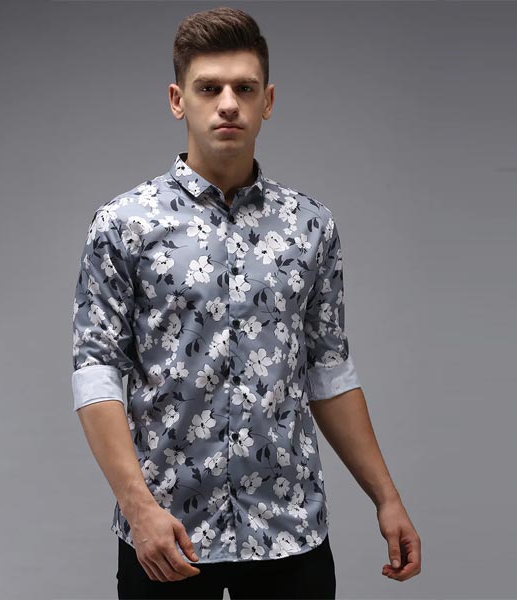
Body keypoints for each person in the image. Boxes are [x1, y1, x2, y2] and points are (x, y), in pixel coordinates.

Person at [71, 6, 421, 599]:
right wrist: (138, 508)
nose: (228, 103)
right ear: (178, 100)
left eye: (245, 88)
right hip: (167, 532)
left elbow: (329, 370)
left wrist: (387, 498)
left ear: (268, 101)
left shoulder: (311, 226)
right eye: (209, 88)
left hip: (290, 530)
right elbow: (95, 372)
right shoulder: (123, 224)